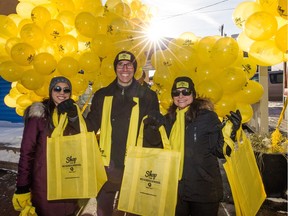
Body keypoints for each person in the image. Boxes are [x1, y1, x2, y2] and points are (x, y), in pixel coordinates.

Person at [144, 76, 241, 216]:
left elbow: (219, 150)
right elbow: (156, 148)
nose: (181, 96)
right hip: (176, 191)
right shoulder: (169, 119)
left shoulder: (207, 117)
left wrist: (231, 133)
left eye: (185, 92)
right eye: (176, 93)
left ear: (193, 94)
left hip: (204, 191)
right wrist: (151, 127)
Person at [85, 50, 160, 216]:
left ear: (134, 68)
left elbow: (153, 135)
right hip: (108, 165)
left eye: (129, 65)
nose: (125, 68)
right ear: (115, 68)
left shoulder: (148, 96)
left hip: (135, 165)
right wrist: (73, 118)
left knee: (133, 210)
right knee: (104, 210)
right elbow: (90, 126)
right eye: (120, 64)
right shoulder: (102, 95)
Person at [12, 76, 80, 216]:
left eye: (66, 90)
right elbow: (27, 152)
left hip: (68, 178)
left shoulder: (72, 112)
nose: (62, 92)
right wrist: (22, 186)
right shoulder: (39, 115)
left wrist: (74, 117)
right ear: (50, 91)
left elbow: (80, 141)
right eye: (57, 88)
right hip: (44, 183)